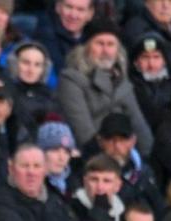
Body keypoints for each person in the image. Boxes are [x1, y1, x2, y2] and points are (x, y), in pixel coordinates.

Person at [57, 19, 154, 156]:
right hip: (93, 157)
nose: (106, 50)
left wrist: (145, 159)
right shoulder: (71, 79)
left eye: (111, 44)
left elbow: (139, 126)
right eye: (100, 44)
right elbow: (83, 131)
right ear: (86, 48)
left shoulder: (123, 81)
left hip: (126, 153)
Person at [71, 154, 125, 221]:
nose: (100, 187)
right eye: (94, 179)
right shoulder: (71, 210)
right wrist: (98, 212)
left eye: (107, 181)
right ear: (85, 182)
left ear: (118, 186)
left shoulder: (124, 213)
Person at [33, 0, 94, 74]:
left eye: (80, 9)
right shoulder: (45, 33)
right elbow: (60, 73)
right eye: (69, 7)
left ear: (90, 14)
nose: (73, 15)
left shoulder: (95, 36)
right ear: (58, 7)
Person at [129, 32, 171, 128]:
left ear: (164, 61)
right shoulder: (129, 86)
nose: (151, 64)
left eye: (156, 57)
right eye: (145, 57)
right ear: (136, 62)